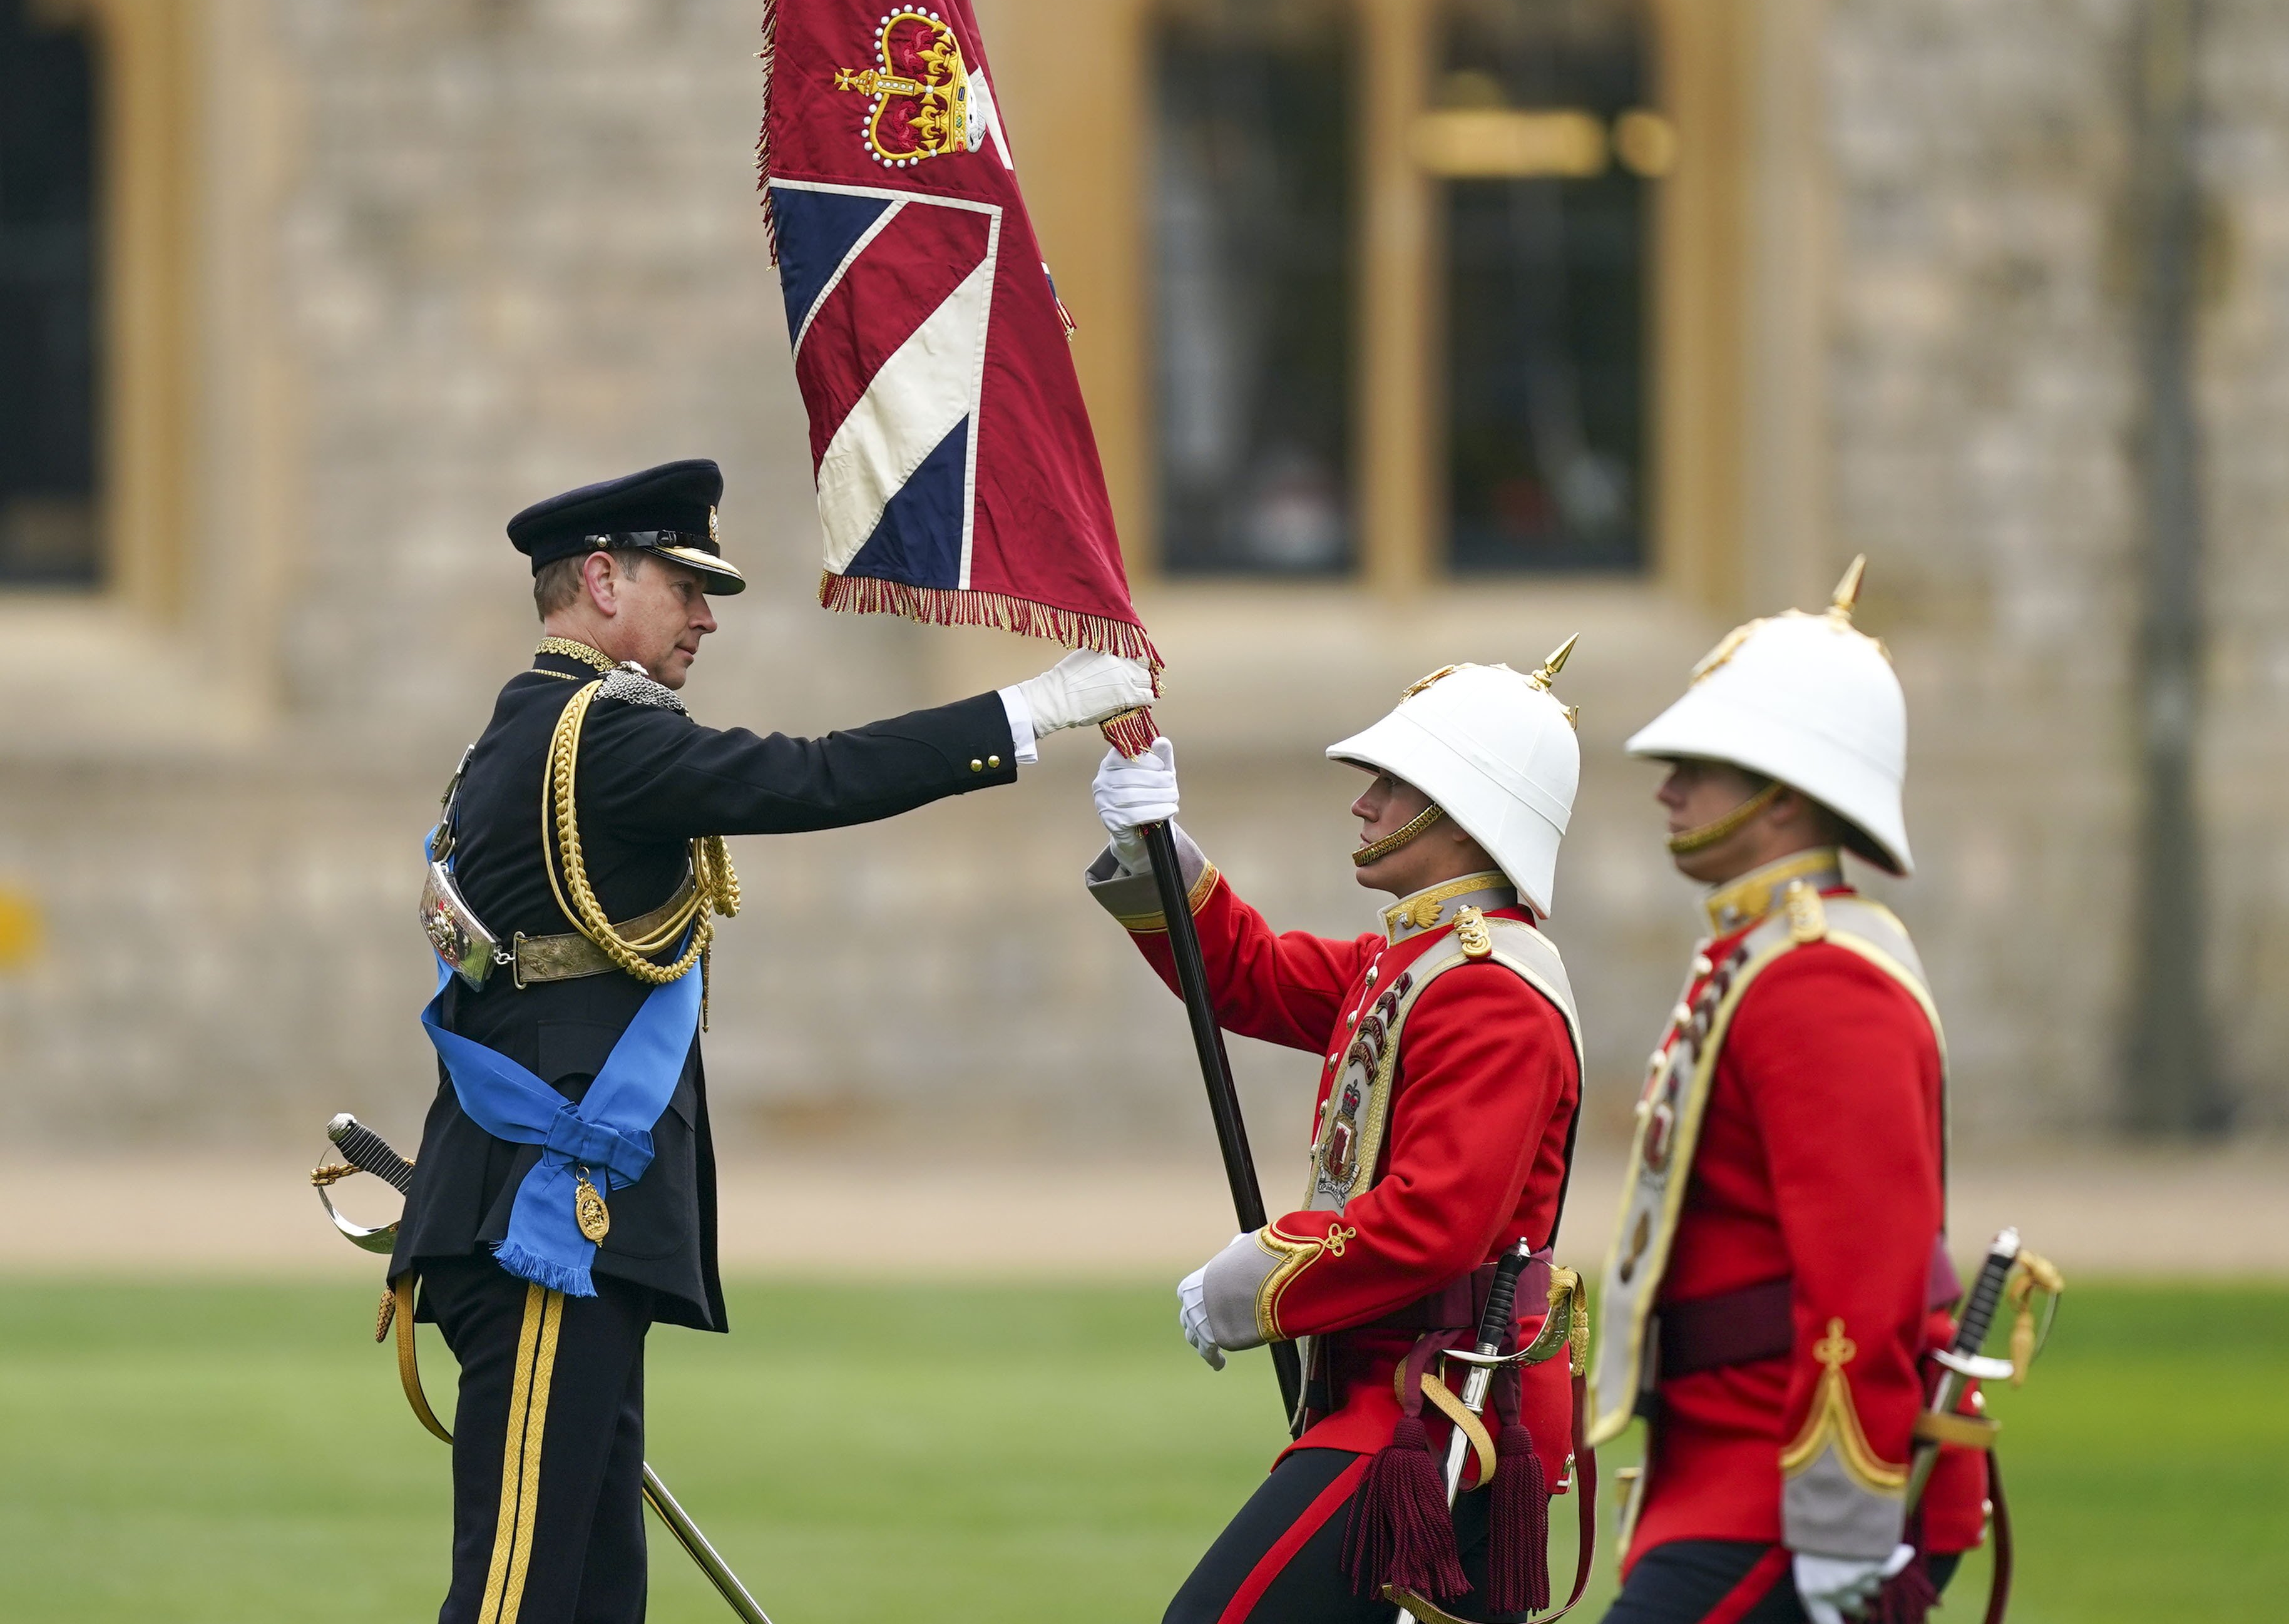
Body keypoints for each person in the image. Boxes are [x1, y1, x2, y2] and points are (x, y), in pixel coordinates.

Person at [391, 459, 1152, 1624]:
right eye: (684, 582)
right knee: (515, 1600)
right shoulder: (599, 736)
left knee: (593, 1595)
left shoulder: (530, 726)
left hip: (558, 1210)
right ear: (600, 579)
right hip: (549, 1217)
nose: (706, 615)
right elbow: (814, 775)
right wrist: (1030, 708)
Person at [1088, 648, 1590, 1624]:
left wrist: (1257, 1278)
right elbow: (1251, 974)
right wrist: (1157, 843)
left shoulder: (1490, 992)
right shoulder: (1413, 960)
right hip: (1385, 1389)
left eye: (1393, 781)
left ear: (1462, 804)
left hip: (1438, 1401)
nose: (1363, 802)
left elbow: (1430, 1224)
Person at [1589, 561, 1990, 1624]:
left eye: (1704, 763)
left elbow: (1860, 1266)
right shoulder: (1764, 951)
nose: (1669, 785)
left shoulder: (1820, 977)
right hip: (1723, 1455)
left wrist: (1842, 1509)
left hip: (1790, 1475)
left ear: (1786, 787)